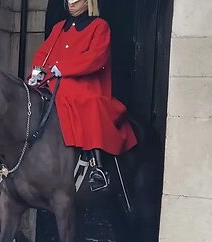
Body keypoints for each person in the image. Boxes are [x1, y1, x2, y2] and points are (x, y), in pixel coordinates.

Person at [28, 0, 137, 191]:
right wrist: (37, 72)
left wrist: (64, 69)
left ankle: (97, 166)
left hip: (86, 84)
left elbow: (96, 57)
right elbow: (43, 53)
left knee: (89, 103)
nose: (71, 3)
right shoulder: (59, 28)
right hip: (54, 81)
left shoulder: (99, 26)